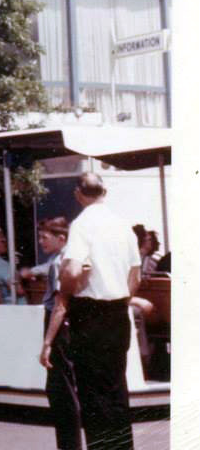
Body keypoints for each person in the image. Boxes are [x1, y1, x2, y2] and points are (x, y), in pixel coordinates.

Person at [60, 172, 141, 450]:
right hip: (118, 312)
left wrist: (69, 285)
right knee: (117, 386)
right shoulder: (123, 225)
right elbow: (135, 275)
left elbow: (71, 270)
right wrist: (123, 298)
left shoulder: (81, 225)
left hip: (90, 312)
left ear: (78, 194)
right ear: (104, 191)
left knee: (93, 392)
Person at [35, 218, 82, 450]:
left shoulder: (57, 264)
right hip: (73, 325)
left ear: (61, 238)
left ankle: (69, 445)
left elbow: (59, 305)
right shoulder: (70, 259)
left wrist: (47, 343)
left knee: (59, 388)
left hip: (58, 327)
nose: (40, 241)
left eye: (45, 237)